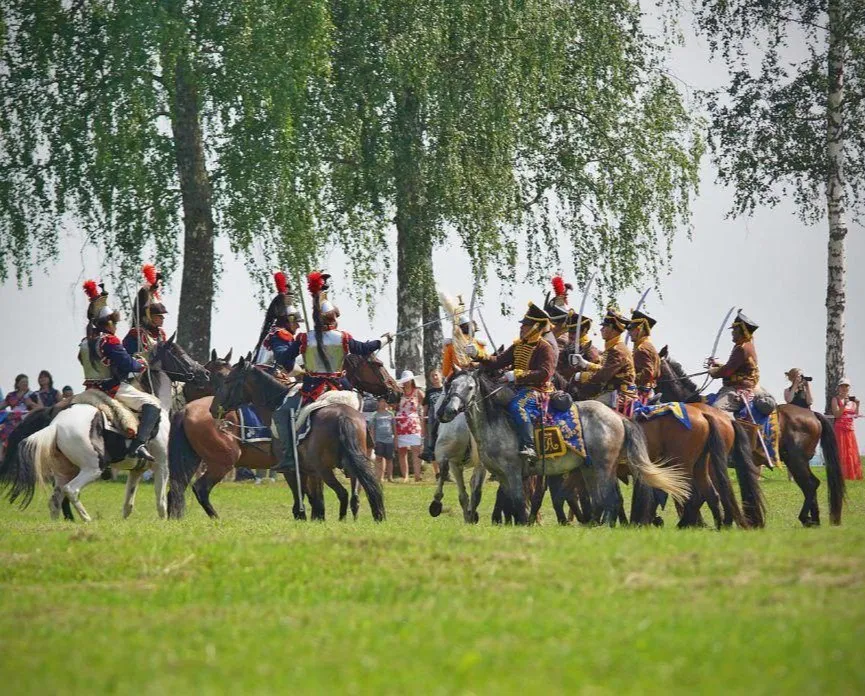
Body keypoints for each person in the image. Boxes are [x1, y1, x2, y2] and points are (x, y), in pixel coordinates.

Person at [271, 271, 392, 473]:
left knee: (283, 414)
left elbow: (284, 360)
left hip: (312, 389)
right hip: (341, 387)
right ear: (333, 318)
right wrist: (385, 339)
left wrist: (296, 367)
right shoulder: (342, 337)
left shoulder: (304, 338)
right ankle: (364, 444)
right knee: (357, 410)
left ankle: (290, 457)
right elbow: (365, 348)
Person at [80, 279, 163, 461]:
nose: (116, 327)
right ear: (108, 323)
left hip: (90, 388)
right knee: (154, 404)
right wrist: (141, 364)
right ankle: (139, 444)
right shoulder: (109, 340)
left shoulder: (85, 342)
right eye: (115, 323)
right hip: (111, 388)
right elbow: (127, 364)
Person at [480, 302, 556, 461]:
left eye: (525, 325)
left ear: (536, 327)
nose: (521, 328)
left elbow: (545, 374)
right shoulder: (518, 345)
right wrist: (478, 355)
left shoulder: (544, 347)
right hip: (516, 388)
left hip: (537, 390)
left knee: (517, 406)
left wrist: (517, 375)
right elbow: (498, 361)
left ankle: (530, 445)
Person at [571, 307, 636, 416]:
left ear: (612, 329)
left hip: (620, 395)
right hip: (612, 391)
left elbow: (603, 376)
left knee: (587, 411)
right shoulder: (613, 347)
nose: (601, 330)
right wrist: (586, 364)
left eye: (604, 327)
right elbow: (605, 368)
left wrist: (582, 376)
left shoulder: (617, 350)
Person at [705, 310, 771, 414]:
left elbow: (727, 371)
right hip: (734, 387)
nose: (732, 332)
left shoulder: (742, 348)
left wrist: (713, 371)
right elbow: (737, 368)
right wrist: (716, 365)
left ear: (742, 331)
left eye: (735, 329)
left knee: (716, 409)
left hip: (738, 389)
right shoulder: (744, 345)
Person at [255, 272, 303, 369]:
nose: (298, 326)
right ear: (289, 321)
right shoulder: (281, 334)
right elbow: (283, 359)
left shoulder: (275, 332)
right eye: (296, 322)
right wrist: (300, 342)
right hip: (272, 373)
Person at [123, 264, 168, 355]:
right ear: (149, 316)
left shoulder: (161, 335)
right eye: (159, 315)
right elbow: (129, 358)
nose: (162, 318)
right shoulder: (135, 334)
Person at [395, 370, 425, 482]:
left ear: (412, 380)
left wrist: (422, 416)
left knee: (416, 449)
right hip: (400, 423)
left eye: (408, 380)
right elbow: (394, 406)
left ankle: (417, 475)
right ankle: (405, 476)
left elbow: (424, 404)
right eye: (405, 381)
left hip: (414, 423)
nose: (407, 382)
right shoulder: (398, 392)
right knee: (402, 451)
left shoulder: (418, 392)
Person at [831, 377, 861, 480]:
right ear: (838, 388)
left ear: (849, 388)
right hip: (840, 428)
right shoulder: (835, 399)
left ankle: (851, 474)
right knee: (841, 451)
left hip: (850, 429)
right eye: (842, 386)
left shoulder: (852, 401)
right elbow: (837, 414)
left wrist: (857, 405)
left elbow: (855, 416)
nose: (844, 388)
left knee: (850, 451)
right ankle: (840, 474)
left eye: (846, 386)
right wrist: (844, 405)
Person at [628, 310, 660, 405]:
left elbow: (648, 372)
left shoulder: (642, 348)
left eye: (631, 329)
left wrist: (627, 380)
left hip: (640, 394)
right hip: (647, 390)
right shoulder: (648, 346)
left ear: (639, 330)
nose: (629, 333)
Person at [420, 368, 445, 477]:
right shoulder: (429, 392)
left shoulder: (447, 389)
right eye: (432, 376)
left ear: (441, 376)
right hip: (432, 421)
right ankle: (437, 473)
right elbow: (425, 410)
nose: (434, 377)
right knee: (433, 446)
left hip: (445, 421)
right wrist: (423, 425)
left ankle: (446, 471)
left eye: (436, 375)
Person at [0, 374, 35, 449]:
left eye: (26, 382)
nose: (25, 383)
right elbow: (3, 405)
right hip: (12, 420)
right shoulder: (11, 395)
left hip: (26, 419)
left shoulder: (32, 394)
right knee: (4, 432)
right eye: (23, 382)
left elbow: (38, 407)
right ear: (17, 384)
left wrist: (31, 403)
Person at [372, 397, 397, 482]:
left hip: (389, 439)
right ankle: (379, 477)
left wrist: (395, 439)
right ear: (378, 403)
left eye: (385, 402)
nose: (383, 404)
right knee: (379, 458)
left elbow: (394, 428)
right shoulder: (375, 415)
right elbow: (372, 429)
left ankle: (390, 477)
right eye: (382, 402)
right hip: (379, 439)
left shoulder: (391, 414)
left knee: (389, 459)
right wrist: (373, 440)